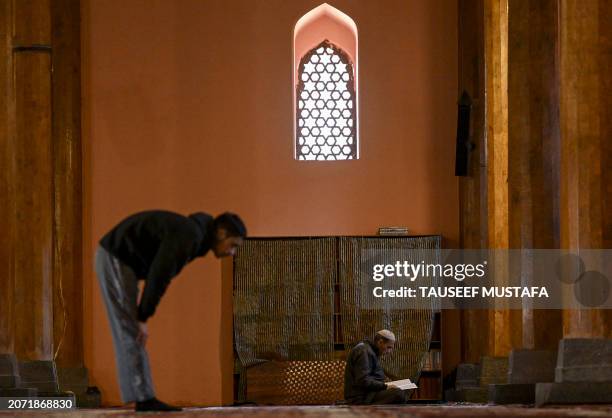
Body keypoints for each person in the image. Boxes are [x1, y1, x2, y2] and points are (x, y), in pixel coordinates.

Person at [95, 210, 246, 411]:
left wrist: (142, 314)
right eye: (233, 245)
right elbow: (159, 276)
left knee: (131, 330)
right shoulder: (189, 235)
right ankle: (144, 399)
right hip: (116, 258)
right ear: (220, 233)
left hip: (121, 261)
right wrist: (142, 316)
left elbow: (159, 272)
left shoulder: (193, 235)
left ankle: (144, 397)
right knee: (130, 330)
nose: (232, 252)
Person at [344, 329, 407, 405]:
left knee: (400, 391)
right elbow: (363, 380)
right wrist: (385, 386)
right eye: (388, 347)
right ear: (380, 342)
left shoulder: (370, 350)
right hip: (361, 397)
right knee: (398, 393)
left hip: (370, 394)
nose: (389, 352)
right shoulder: (363, 351)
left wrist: (386, 385)